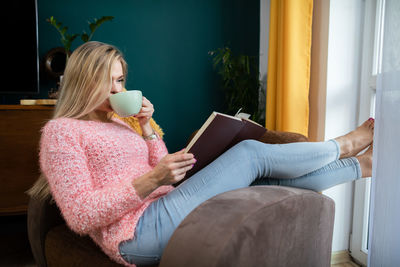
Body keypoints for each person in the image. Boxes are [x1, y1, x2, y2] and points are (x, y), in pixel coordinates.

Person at [28, 41, 374, 267]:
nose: (119, 89)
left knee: (267, 179)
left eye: (121, 80)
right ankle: (342, 144)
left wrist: (147, 129)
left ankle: (362, 164)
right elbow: (79, 216)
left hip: (164, 205)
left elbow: (159, 166)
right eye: (109, 81)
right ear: (83, 82)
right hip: (135, 236)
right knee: (251, 153)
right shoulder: (62, 132)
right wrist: (151, 181)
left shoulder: (120, 123)